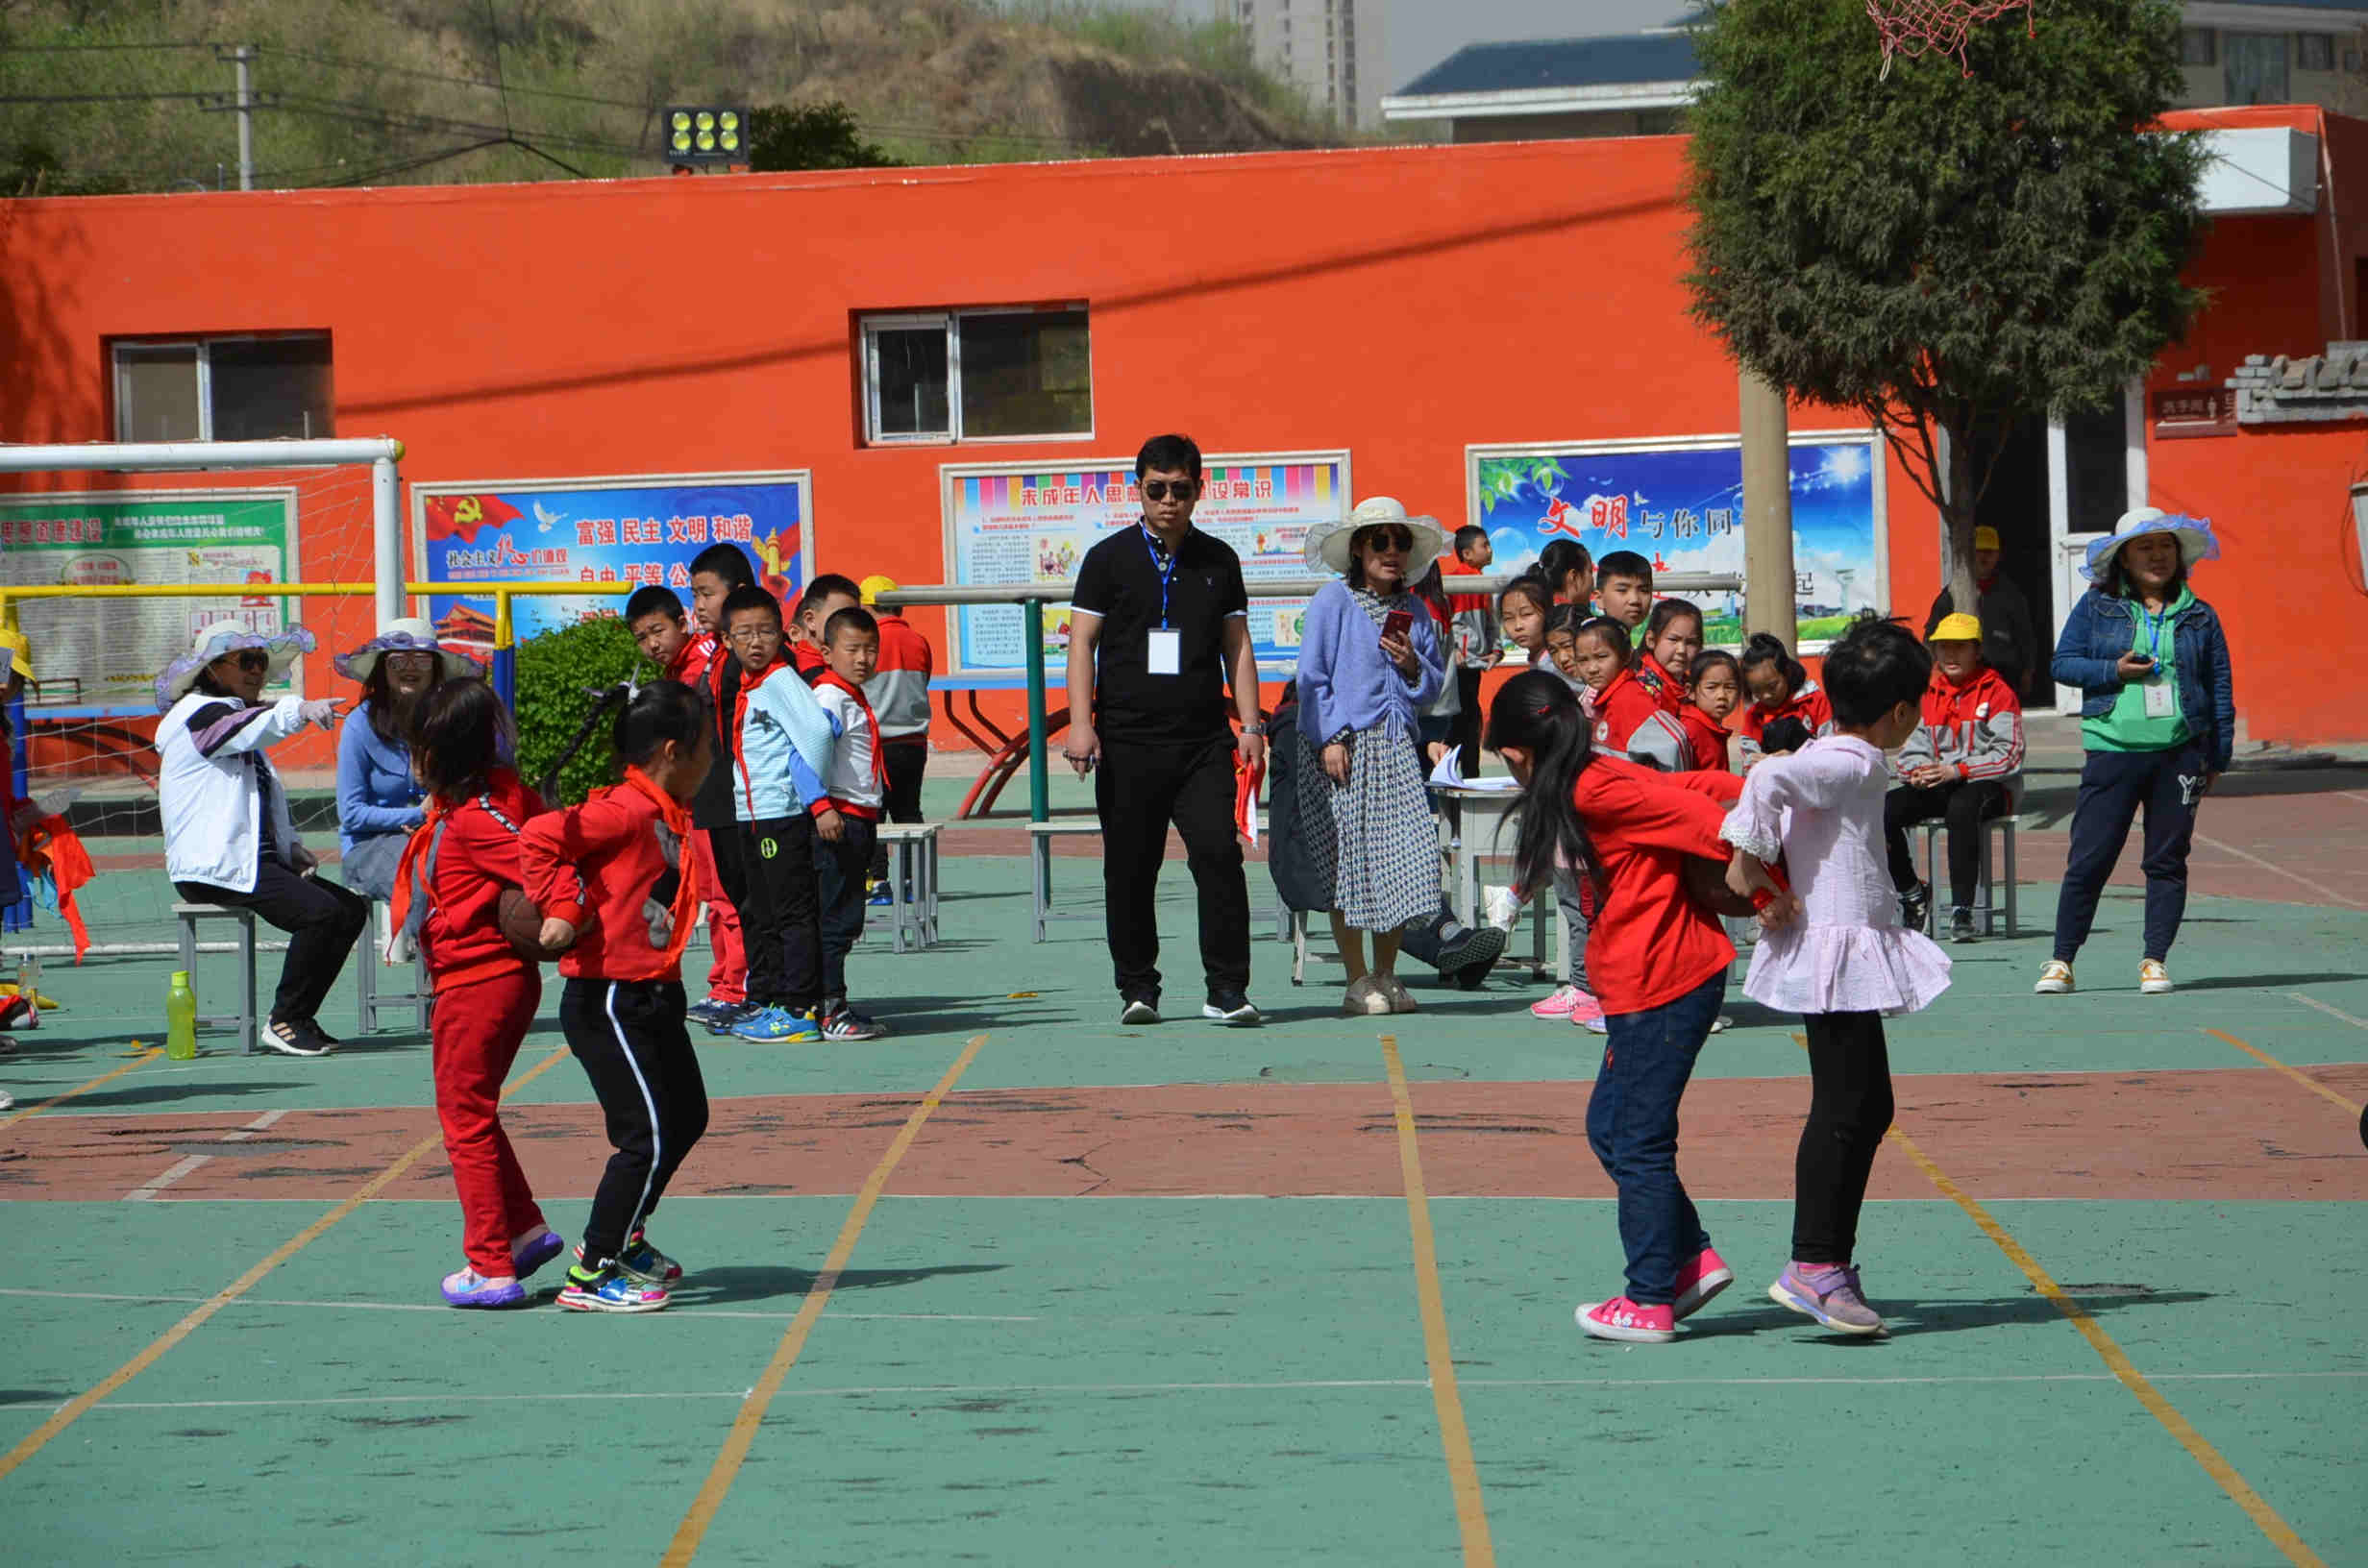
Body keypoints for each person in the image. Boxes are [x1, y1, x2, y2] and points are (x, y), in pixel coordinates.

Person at [1488, 671, 1747, 1344]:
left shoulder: (1591, 786)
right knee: (1611, 1127)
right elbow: (1681, 788)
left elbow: (1705, 815)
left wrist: (1771, 803)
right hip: (1641, 984)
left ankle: (1650, 1297)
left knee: (1637, 1142)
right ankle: (1690, 1259)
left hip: (1665, 981)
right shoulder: (1587, 780)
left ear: (1517, 754)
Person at [1721, 616, 1953, 1337]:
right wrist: (1750, 865)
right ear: (1902, 713)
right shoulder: (1853, 761)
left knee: (1864, 1105)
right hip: (1834, 952)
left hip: (1840, 948)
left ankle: (1825, 1263)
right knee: (1848, 1109)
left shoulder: (1842, 752)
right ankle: (1816, 1264)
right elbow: (1768, 772)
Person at [520, 682, 715, 1314]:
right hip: (608, 996)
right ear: (671, 752)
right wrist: (562, 908)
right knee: (646, 1136)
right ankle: (593, 1271)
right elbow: (542, 838)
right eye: (706, 748)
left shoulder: (667, 810)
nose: (714, 759)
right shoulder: (627, 809)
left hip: (654, 989)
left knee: (687, 1116)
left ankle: (625, 1237)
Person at [1064, 433, 1265, 1028]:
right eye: (1157, 489)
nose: (1169, 501)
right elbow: (1081, 643)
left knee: (1218, 857)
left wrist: (1250, 723)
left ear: (1199, 492)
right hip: (1126, 741)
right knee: (1130, 866)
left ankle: (1227, 990)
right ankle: (1138, 988)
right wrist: (1081, 726)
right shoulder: (1107, 559)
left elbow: (1238, 646)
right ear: (1139, 490)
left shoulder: (1219, 560)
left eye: (1181, 489)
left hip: (1203, 740)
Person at [390, 677, 561, 1310]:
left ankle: (490, 1265)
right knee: (476, 1112)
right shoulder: (502, 796)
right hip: (494, 983)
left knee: (464, 1120)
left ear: (436, 755)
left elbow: (541, 863)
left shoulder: (473, 820)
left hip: (478, 983)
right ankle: (524, 1231)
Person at [2037, 508, 2232, 997]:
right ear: (2123, 557)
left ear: (2180, 554)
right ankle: (2061, 960)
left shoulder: (2201, 616)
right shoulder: (2096, 607)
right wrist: (2113, 671)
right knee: (2090, 858)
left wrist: (2217, 757)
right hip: (2112, 749)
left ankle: (2155, 960)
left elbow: (2220, 687)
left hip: (2180, 752)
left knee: (2167, 861)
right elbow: (2063, 664)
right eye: (2145, 547)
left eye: (2166, 546)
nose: (2158, 555)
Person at [158, 623, 363, 1058]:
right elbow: (253, 726)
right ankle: (285, 1019)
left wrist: (288, 846)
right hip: (212, 867)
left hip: (248, 862)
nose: (258, 671)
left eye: (262, 661)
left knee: (348, 909)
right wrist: (296, 710)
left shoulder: (226, 716)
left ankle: (299, 1016)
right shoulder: (198, 716)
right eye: (247, 661)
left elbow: (259, 797)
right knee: (322, 914)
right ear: (213, 670)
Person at [1295, 497, 1449, 1017]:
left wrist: (1411, 666)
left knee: (1407, 858)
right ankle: (1356, 978)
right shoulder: (1332, 602)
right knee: (1351, 865)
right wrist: (1330, 738)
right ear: (1358, 549)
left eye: (1400, 543)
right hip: (1349, 747)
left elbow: (1430, 687)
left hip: (1397, 747)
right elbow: (1312, 679)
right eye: (1380, 541)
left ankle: (1387, 974)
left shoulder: (1417, 610)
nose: (1391, 552)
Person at [718, 585, 836, 1043]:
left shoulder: (780, 679)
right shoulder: (755, 683)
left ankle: (799, 1008)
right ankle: (774, 1000)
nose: (755, 642)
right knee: (763, 912)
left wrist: (813, 794)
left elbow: (818, 734)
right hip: (753, 813)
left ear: (782, 636)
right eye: (744, 634)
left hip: (778, 813)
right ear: (726, 640)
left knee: (790, 914)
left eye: (766, 632)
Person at [1884, 612, 2024, 942]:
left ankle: (1963, 909)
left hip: (1990, 786)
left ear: (1977, 650)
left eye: (1959, 648)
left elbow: (2010, 754)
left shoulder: (1999, 692)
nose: (1950, 655)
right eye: (1943, 647)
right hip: (1940, 782)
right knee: (1883, 808)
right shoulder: (1925, 693)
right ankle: (1912, 892)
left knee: (1962, 808)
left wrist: (1958, 770)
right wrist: (1917, 773)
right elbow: (1909, 750)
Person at [334, 619, 478, 899]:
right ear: (382, 670)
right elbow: (351, 815)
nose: (410, 668)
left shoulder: (450, 721)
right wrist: (419, 814)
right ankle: (426, 941)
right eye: (398, 661)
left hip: (440, 835)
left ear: (436, 669)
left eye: (422, 661)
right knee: (428, 870)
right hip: (370, 846)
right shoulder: (358, 725)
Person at [683, 545, 757, 1033]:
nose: (699, 606)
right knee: (713, 898)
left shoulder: (745, 657)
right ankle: (722, 985)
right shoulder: (701, 656)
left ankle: (741, 988)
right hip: (704, 796)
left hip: (737, 797)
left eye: (707, 594)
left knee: (735, 900)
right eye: (694, 596)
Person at [808, 605, 890, 1041]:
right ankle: (828, 1007)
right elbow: (804, 757)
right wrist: (821, 806)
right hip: (839, 820)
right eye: (853, 649)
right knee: (835, 917)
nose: (863, 659)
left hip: (859, 819)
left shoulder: (851, 695)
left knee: (846, 915)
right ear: (826, 651)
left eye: (870, 650)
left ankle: (832, 1000)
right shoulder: (830, 697)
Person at [857, 575, 933, 904]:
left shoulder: (866, 644)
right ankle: (912, 880)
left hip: (876, 742)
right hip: (913, 741)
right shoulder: (919, 641)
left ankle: (878, 882)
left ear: (869, 606)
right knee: (908, 813)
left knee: (872, 814)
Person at [1925, 525, 2038, 696]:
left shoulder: (2012, 595)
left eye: (1989, 551)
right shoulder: (1952, 594)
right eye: (1978, 551)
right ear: (1970, 554)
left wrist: (2028, 671)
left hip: (2004, 673)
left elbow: (2025, 636)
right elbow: (1930, 636)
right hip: (1963, 676)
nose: (1984, 557)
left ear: (1998, 555)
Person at [1571, 616, 1690, 773]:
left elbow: (1677, 740)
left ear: (1626, 655)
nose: (1592, 668)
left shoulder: (1630, 699)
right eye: (1583, 660)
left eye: (1601, 657)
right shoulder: (1602, 698)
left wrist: (1670, 790)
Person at [1441, 525, 1500, 776]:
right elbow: (1445, 622)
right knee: (1463, 719)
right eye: (1484, 545)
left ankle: (1467, 774)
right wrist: (1453, 651)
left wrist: (1495, 650)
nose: (1490, 549)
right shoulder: (1454, 582)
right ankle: (1458, 774)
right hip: (1461, 665)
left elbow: (1491, 622)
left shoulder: (1483, 584)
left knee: (1468, 718)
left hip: (1473, 664)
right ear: (1466, 553)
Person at [1737, 633, 1834, 747]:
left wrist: (1793, 759)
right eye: (1757, 690)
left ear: (1787, 672)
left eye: (1772, 686)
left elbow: (1831, 749)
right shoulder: (1754, 716)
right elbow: (1750, 757)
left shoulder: (1816, 702)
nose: (1766, 695)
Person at [1411, 561, 1463, 765]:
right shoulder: (1438, 603)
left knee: (1421, 775)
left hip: (1424, 708)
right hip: (1440, 705)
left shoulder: (1419, 610)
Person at [628, 585, 719, 690]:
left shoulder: (709, 658)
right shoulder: (673, 668)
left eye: (658, 631)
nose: (652, 644)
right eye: (641, 638)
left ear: (682, 625)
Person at [1637, 599, 1704, 713]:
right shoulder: (1641, 687)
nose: (1682, 650)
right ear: (1651, 640)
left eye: (1691, 642)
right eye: (1673, 639)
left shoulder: (1689, 683)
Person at [791, 574, 862, 680]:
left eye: (855, 617)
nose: (850, 625)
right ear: (811, 620)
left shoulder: (843, 666)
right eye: (840, 616)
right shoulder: (808, 674)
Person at [1682, 649, 1741, 774]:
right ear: (1691, 691)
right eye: (1711, 687)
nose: (1722, 695)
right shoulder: (1693, 729)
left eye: (1730, 687)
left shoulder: (1711, 728)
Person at [1498, 576, 1555, 676]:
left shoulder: (1557, 665)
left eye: (1526, 614)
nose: (1518, 626)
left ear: (1548, 612)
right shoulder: (1537, 660)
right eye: (1508, 618)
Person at [1594, 550, 1657, 632]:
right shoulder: (1588, 643)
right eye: (1622, 590)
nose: (1635, 600)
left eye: (1644, 590)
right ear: (1599, 598)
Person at [1537, 539, 1595, 609]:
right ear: (1574, 576)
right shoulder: (1572, 617)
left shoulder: (1539, 613)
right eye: (1590, 571)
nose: (1592, 582)